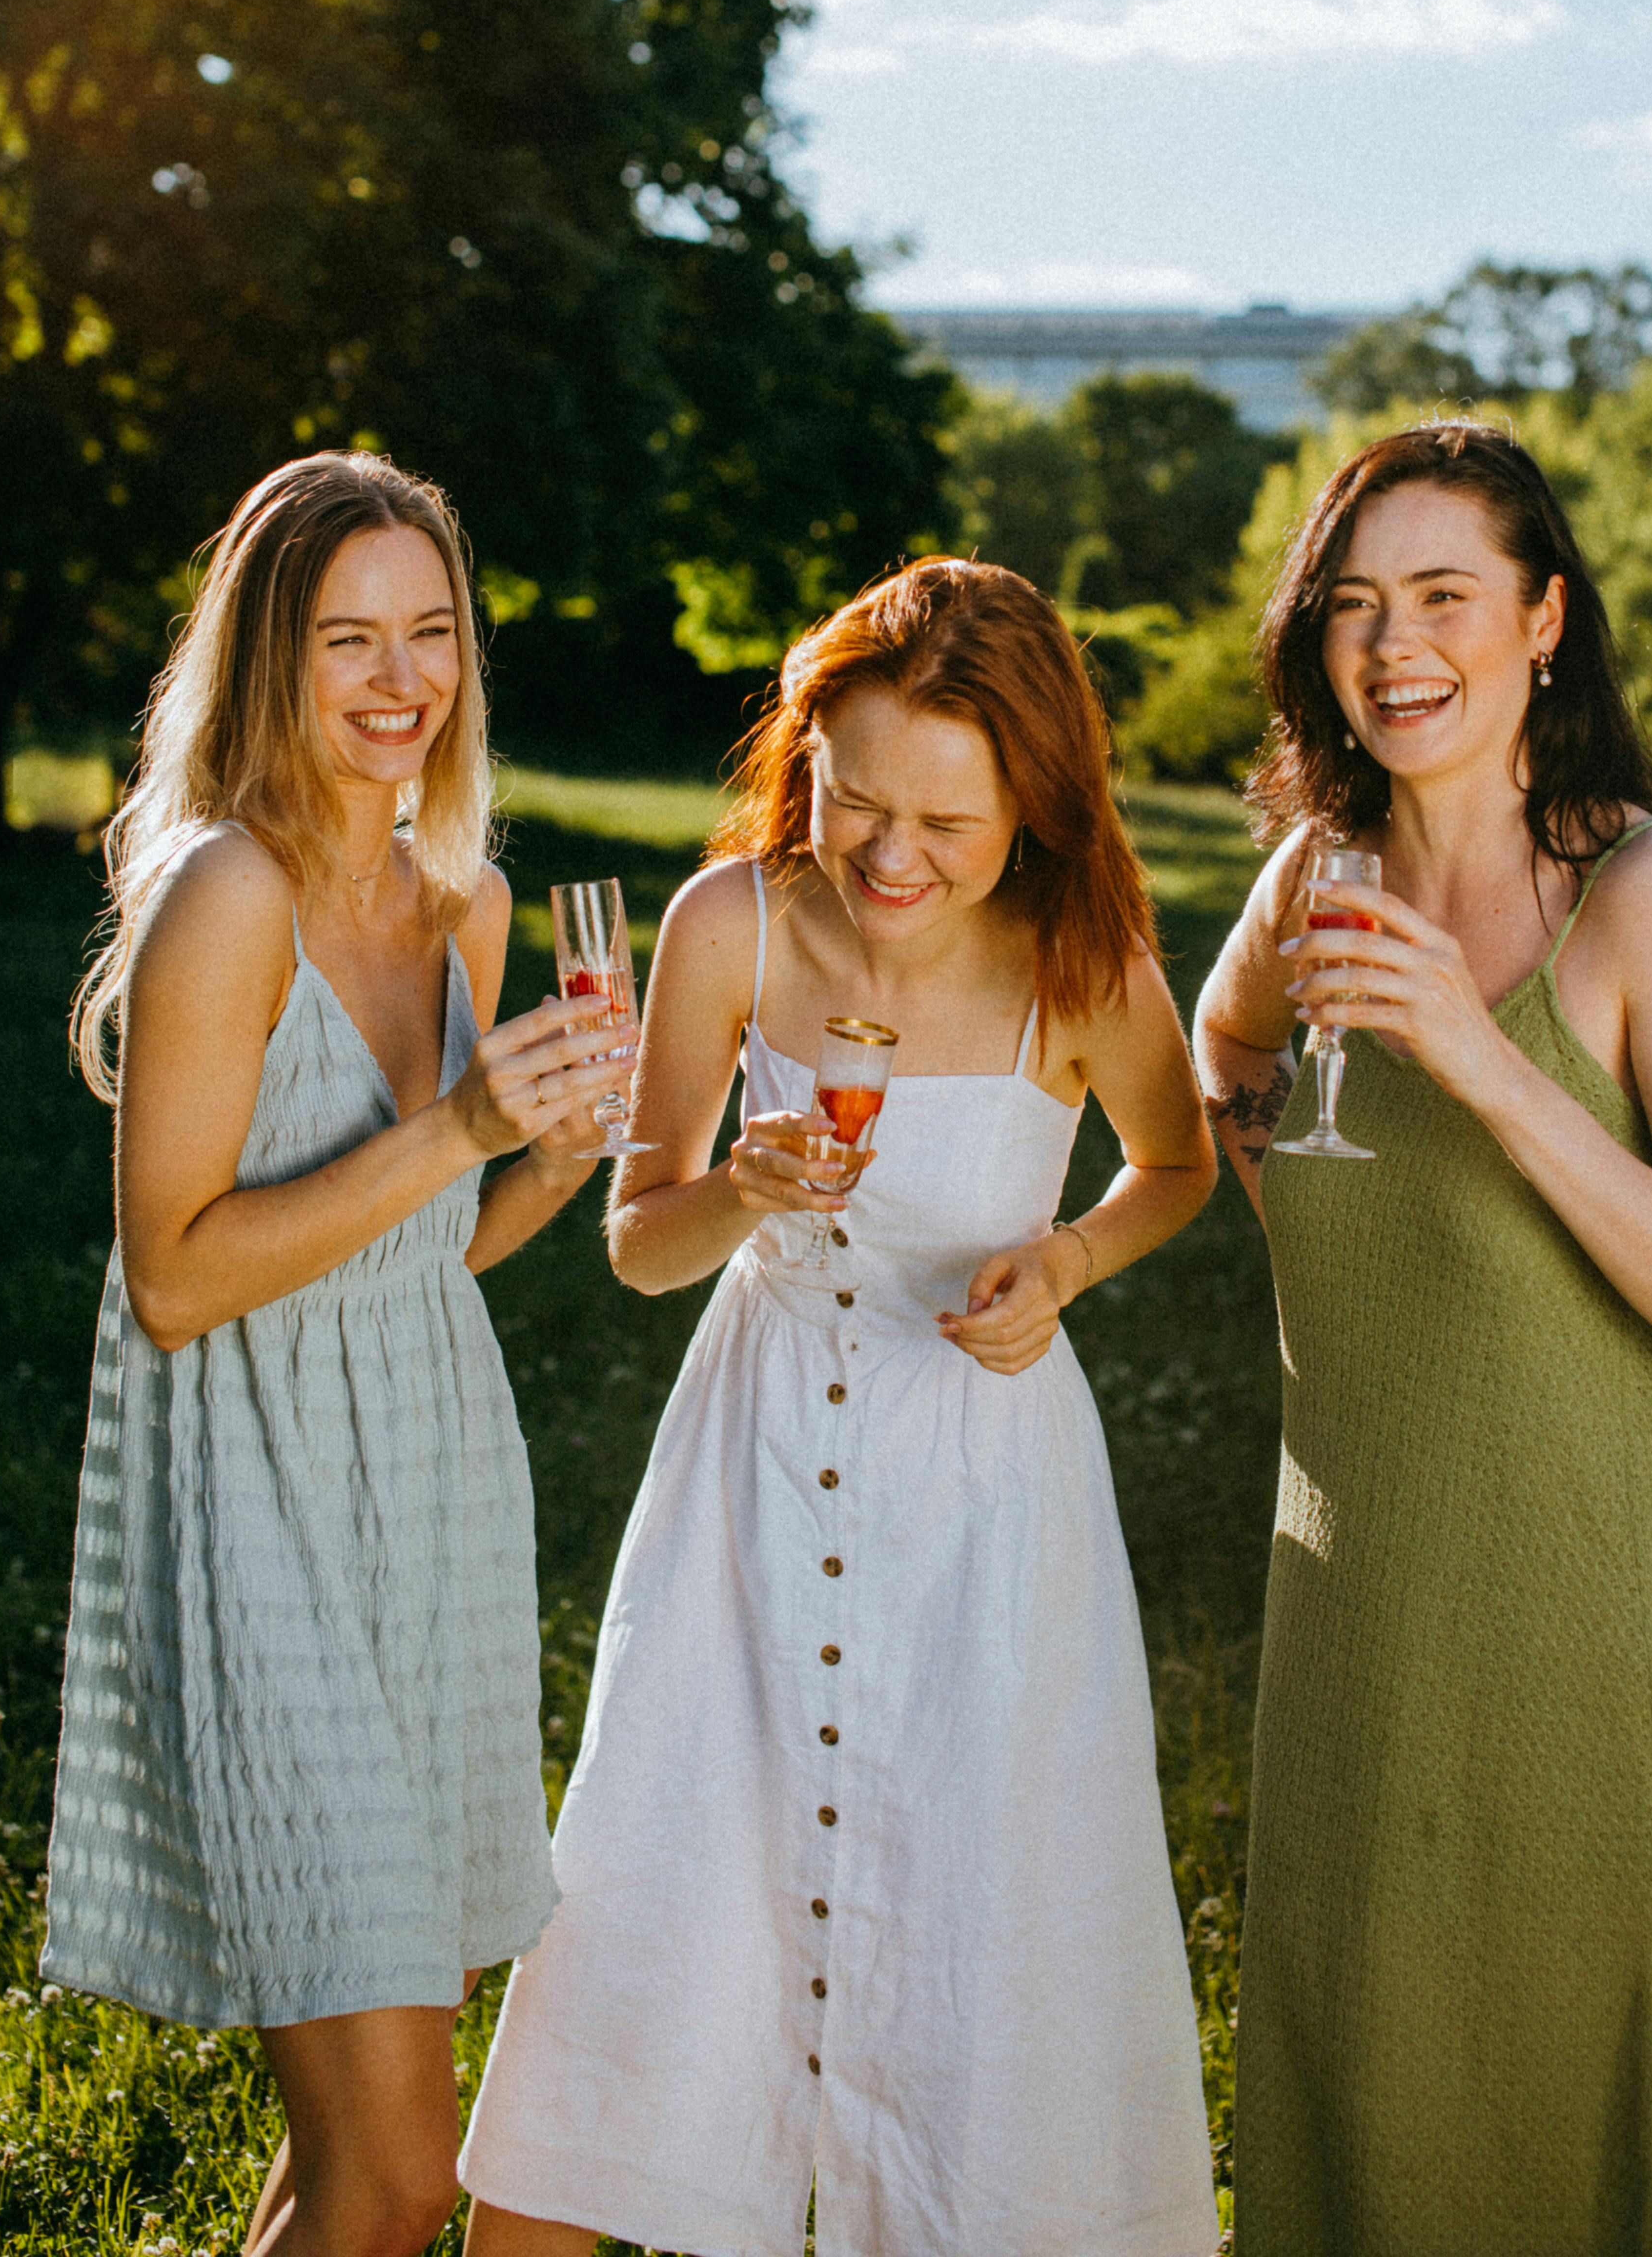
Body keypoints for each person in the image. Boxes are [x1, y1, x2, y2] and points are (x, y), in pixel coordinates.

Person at [459, 556, 1221, 2257]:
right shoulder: (731, 922)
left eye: (947, 825)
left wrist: (1071, 1265)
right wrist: (736, 1191)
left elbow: (1177, 1167)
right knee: (664, 1904)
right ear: (801, 754)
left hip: (986, 1516)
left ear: (1037, 802)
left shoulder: (1081, 961)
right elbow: (640, 1245)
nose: (888, 856)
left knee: (985, 1940)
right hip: (750, 1493)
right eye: (852, 797)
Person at [1194, 420, 1652, 2257]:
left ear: (1544, 620)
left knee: (1584, 2137)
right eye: (1357, 607)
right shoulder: (1318, 873)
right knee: (1363, 2106)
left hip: (1587, 1634)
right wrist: (1284, 1183)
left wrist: (1476, 1059)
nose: (1397, 646)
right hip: (1356, 1612)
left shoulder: (1645, 897)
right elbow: (1219, 1055)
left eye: (1445, 597)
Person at [43, 452, 628, 2257]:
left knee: (354, 2159)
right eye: (348, 640)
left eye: (432, 634)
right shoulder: (227, 893)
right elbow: (175, 1280)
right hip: (268, 1520)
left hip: (437, 1505)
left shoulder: (457, 895)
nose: (399, 682)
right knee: (392, 2183)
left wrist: (546, 1156)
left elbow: (432, 1249)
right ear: (270, 659)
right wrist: (462, 1127)